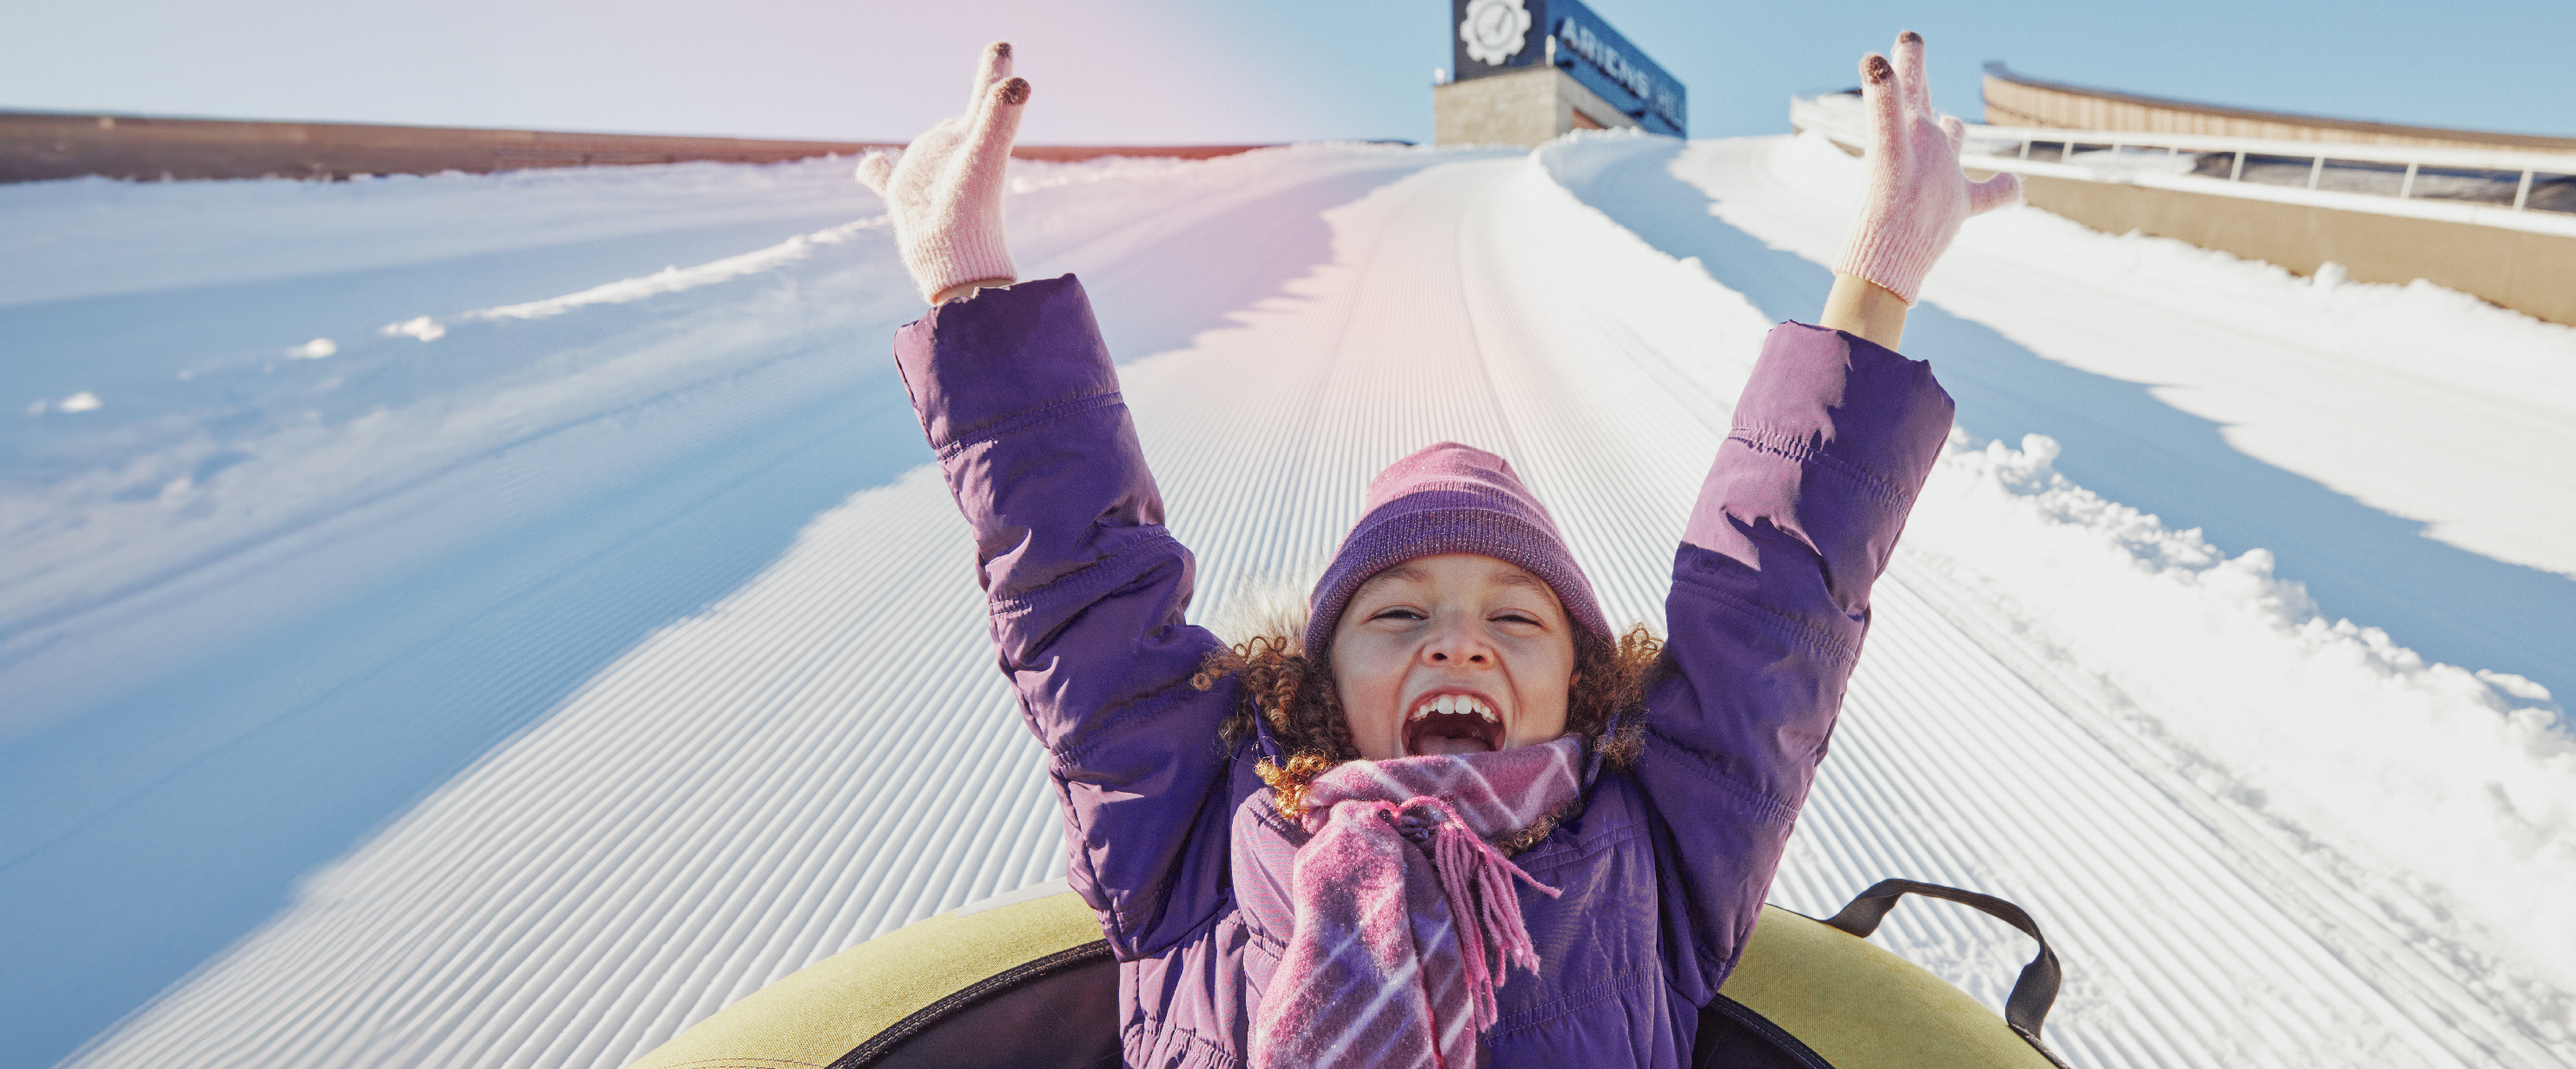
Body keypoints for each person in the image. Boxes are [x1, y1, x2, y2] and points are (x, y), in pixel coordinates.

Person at [857, 32, 2017, 1069]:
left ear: (1583, 683)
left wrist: (1878, 281)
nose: (1460, 639)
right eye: (1398, 616)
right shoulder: (1202, 835)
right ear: (1316, 685)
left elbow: (1772, 603)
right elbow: (1079, 586)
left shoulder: (1654, 855)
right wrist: (967, 279)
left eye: (1518, 618)